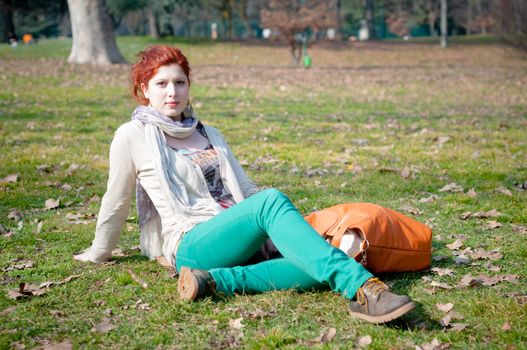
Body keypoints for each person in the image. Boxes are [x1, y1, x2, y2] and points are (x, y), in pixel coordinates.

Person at [74, 45, 415, 324]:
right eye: (161, 84)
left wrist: (281, 233)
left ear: (188, 86)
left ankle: (215, 282)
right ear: (144, 90)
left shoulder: (209, 133)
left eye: (179, 82)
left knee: (317, 258)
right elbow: (115, 200)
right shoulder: (132, 136)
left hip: (236, 238)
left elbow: (246, 192)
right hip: (192, 243)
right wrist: (99, 251)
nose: (172, 92)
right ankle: (364, 289)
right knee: (274, 205)